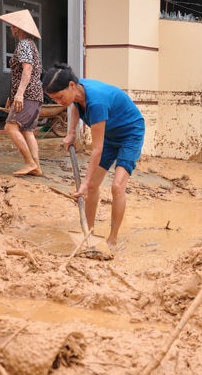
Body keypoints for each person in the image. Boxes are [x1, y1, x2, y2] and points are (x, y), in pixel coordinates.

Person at [42, 63, 145, 249]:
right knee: (92, 187)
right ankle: (87, 232)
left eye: (60, 97)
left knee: (117, 186)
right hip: (110, 135)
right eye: (54, 99)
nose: (59, 102)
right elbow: (74, 105)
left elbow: (97, 149)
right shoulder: (77, 91)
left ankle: (112, 239)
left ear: (72, 86)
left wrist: (84, 182)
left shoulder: (96, 102)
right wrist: (71, 131)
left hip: (130, 133)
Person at [0, 10, 44, 176]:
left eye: (12, 26)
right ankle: (36, 166)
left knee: (10, 127)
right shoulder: (31, 45)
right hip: (35, 95)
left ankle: (29, 162)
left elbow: (27, 69)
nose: (10, 29)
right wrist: (13, 95)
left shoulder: (23, 44)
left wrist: (19, 94)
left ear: (17, 28)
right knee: (27, 130)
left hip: (28, 94)